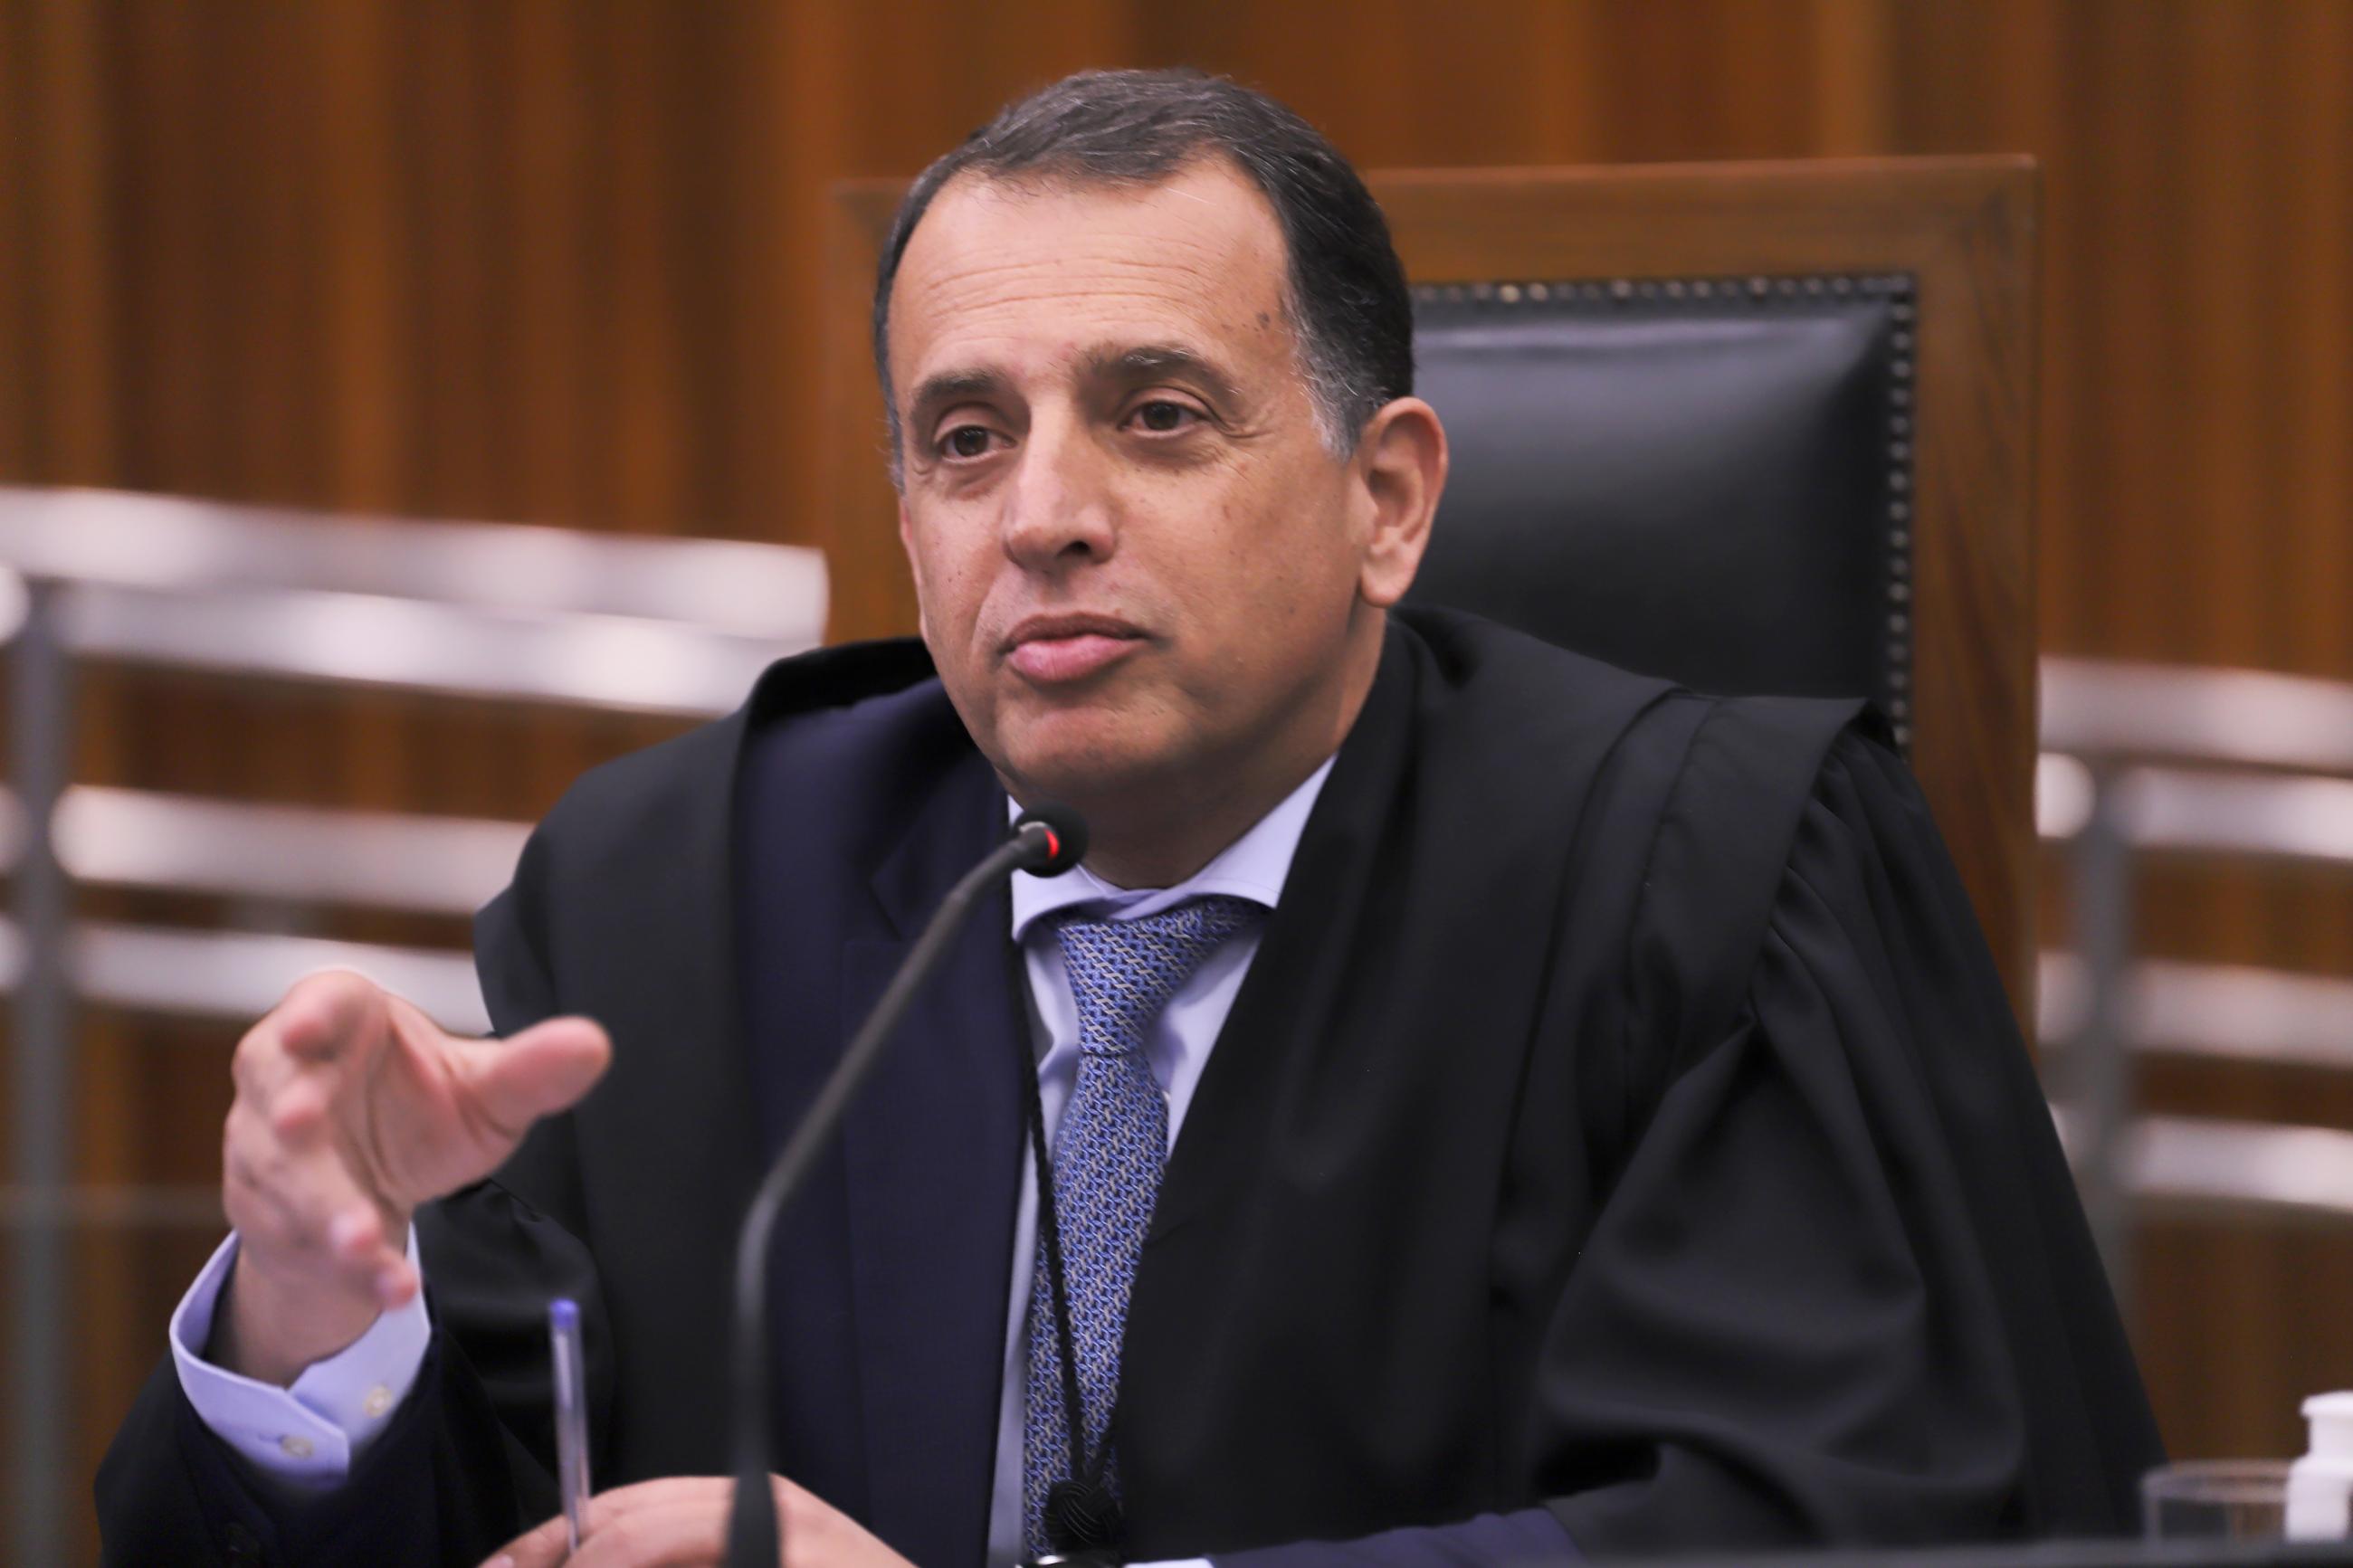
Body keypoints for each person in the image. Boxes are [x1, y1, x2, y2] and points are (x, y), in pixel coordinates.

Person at [98, 69, 2161, 1567]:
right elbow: (478, 1506)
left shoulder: (1704, 877)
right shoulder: (672, 895)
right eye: (964, 438)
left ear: (1387, 500)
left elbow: (1828, 1527)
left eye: (1157, 416)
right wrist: (312, 1312)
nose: (1045, 514)